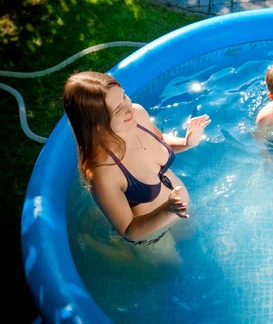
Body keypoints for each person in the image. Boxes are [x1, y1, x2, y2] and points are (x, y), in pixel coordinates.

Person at [63, 71, 210, 265]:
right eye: (117, 109)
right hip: (153, 237)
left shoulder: (137, 113)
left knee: (197, 245)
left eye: (124, 96)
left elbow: (158, 140)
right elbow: (129, 230)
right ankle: (98, 246)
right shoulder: (102, 172)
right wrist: (167, 209)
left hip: (178, 209)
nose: (128, 108)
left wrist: (187, 142)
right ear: (95, 123)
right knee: (174, 271)